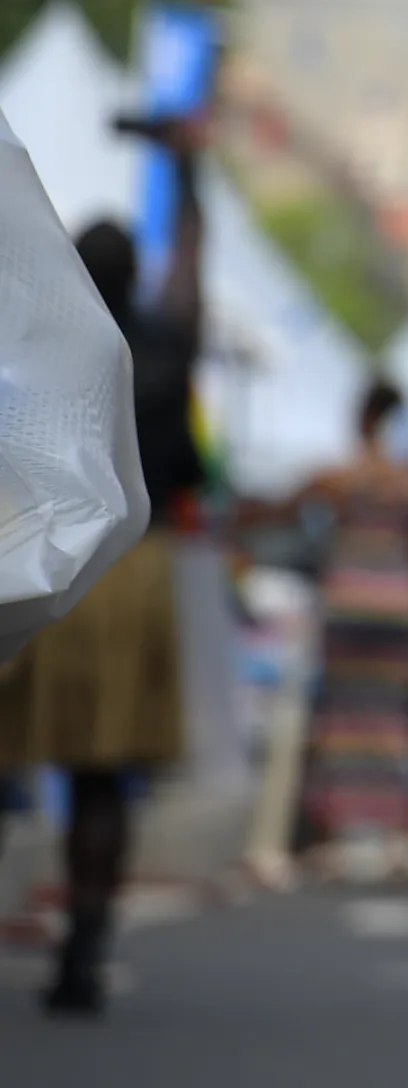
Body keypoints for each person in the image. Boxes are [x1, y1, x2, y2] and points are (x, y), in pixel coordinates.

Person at [0, 132, 207, 1018]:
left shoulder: (45, 355)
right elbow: (191, 272)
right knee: (102, 774)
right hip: (131, 568)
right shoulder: (159, 346)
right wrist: (190, 173)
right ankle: (85, 945)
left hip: (36, 546)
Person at [294, 378, 408, 876]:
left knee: (339, 720)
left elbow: (288, 509)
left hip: (348, 599)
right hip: (399, 603)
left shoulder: (339, 476)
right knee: (396, 721)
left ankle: (332, 836)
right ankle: (398, 836)